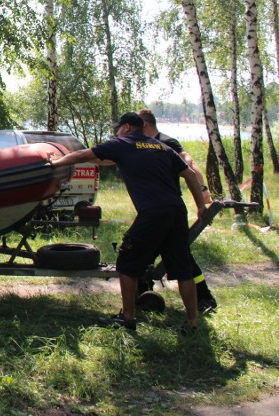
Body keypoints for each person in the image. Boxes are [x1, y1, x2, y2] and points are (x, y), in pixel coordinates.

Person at [50, 112, 206, 333]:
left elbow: (82, 155)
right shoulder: (161, 147)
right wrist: (200, 206)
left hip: (153, 212)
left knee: (127, 261)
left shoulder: (122, 143)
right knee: (182, 268)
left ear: (125, 128)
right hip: (176, 211)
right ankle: (193, 322)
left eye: (117, 128)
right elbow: (190, 175)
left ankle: (128, 317)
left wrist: (56, 162)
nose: (116, 131)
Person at [137, 108, 218, 313]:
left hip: (167, 209)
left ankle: (204, 297)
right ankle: (143, 293)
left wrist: (202, 191)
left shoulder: (167, 142)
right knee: (155, 251)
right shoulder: (141, 144)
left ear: (144, 124)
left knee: (177, 255)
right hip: (152, 209)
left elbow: (188, 161)